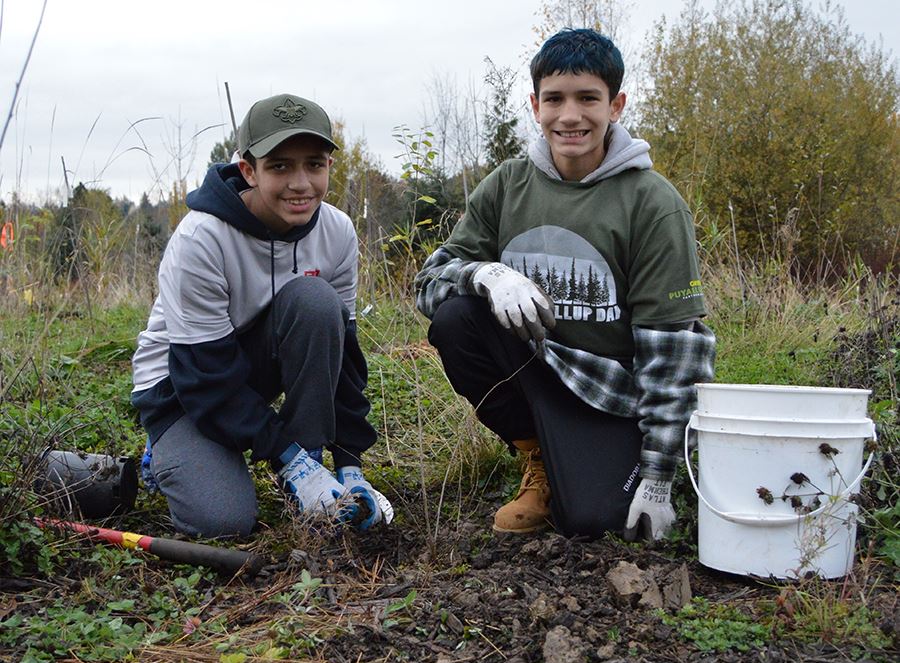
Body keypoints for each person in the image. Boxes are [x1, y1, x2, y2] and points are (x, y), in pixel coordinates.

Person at [415, 29, 716, 540]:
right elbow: (428, 283)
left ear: (615, 105)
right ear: (535, 106)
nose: (570, 116)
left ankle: (599, 467)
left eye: (588, 99)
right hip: (537, 370)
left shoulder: (653, 203)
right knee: (456, 318)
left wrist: (660, 475)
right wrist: (484, 273)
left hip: (610, 394)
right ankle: (537, 458)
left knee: (595, 522)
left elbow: (674, 354)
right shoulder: (507, 185)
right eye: (554, 99)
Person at [131, 93, 389, 538]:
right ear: (249, 170)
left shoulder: (337, 231)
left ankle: (305, 477)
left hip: (247, 369)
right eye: (280, 166)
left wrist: (350, 466)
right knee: (224, 521)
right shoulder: (202, 239)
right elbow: (205, 377)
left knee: (315, 302)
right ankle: (164, 454)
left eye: (314, 164)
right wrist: (281, 451)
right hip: (181, 385)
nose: (301, 183)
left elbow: (343, 358)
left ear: (330, 164)